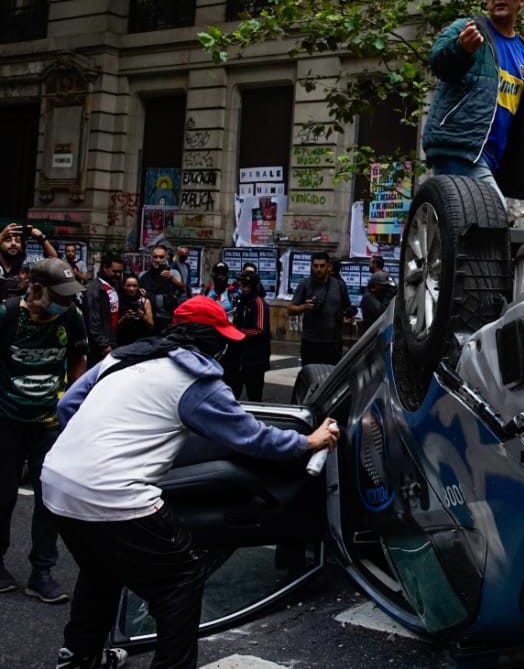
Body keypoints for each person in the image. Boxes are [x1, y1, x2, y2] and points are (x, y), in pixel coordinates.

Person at [41, 295, 340, 669]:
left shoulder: (122, 358)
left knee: (101, 572)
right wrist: (308, 442)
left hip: (56, 484)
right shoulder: (196, 378)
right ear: (210, 340)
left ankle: (78, 658)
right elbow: (250, 437)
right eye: (222, 339)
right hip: (114, 497)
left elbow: (68, 405)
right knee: (179, 582)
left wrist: (98, 447)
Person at [0, 258, 87, 603]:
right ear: (36, 288)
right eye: (59, 295)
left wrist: (73, 402)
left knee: (48, 498)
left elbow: (79, 357)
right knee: (3, 496)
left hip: (49, 425)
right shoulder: (7, 315)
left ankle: (42, 571)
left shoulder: (71, 316)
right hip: (6, 422)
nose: (65, 302)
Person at [422, 0, 524, 202]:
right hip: (460, 147)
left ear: (522, 0)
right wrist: (460, 49)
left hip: (495, 159)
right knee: (494, 215)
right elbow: (437, 62)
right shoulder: (468, 28)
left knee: (469, 228)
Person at [287, 252, 353, 367]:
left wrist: (347, 318)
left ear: (328, 267)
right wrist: (303, 307)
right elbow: (290, 309)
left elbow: (347, 308)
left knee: (331, 378)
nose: (318, 269)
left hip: (333, 342)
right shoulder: (305, 284)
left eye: (322, 266)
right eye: (315, 266)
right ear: (311, 266)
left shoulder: (339, 285)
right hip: (311, 342)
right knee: (310, 377)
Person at [227, 271, 271, 402]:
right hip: (238, 357)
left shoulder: (259, 304)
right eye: (241, 285)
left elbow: (260, 329)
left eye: (246, 286)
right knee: (232, 394)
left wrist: (239, 332)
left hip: (255, 359)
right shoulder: (240, 302)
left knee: (254, 396)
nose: (242, 288)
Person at [82, 253, 124, 368]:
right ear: (105, 268)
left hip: (112, 341)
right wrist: (103, 345)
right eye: (114, 271)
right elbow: (93, 321)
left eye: (120, 272)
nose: (118, 275)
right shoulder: (94, 291)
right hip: (100, 348)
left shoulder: (113, 286)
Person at [0, 222, 57, 299]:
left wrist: (42, 238)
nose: (13, 243)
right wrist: (2, 235)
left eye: (17, 241)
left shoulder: (29, 262)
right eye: (8, 240)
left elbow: (54, 261)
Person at [140, 245, 185, 333]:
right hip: (149, 318)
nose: (158, 260)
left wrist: (171, 278)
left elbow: (183, 289)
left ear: (166, 258)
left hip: (168, 317)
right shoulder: (143, 275)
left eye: (161, 257)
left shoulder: (173, 273)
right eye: (155, 257)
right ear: (151, 258)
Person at [113, 273, 154, 348]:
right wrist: (124, 318)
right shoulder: (117, 301)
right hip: (122, 341)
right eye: (128, 286)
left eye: (134, 286)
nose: (131, 289)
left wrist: (143, 316)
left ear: (138, 287)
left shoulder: (145, 302)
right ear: (123, 286)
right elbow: (113, 328)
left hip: (141, 341)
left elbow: (151, 326)